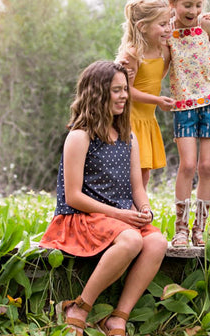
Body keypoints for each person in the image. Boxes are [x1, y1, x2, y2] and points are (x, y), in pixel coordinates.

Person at [40, 61, 168, 336]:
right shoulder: (79, 136)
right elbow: (73, 196)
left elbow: (137, 187)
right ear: (97, 93)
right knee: (132, 239)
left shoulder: (127, 136)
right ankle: (80, 307)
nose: (124, 96)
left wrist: (144, 208)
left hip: (117, 220)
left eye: (125, 90)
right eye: (116, 90)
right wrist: (120, 215)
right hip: (81, 217)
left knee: (157, 242)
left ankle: (119, 316)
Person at [164, 0, 210, 247]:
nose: (193, 11)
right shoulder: (167, 32)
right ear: (173, 4)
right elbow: (163, 66)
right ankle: (180, 228)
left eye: (198, 5)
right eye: (187, 5)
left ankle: (199, 228)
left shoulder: (209, 27)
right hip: (184, 107)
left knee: (206, 166)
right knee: (188, 165)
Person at [116, 0, 175, 189]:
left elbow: (157, 75)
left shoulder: (162, 49)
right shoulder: (133, 53)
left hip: (147, 119)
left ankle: (137, 210)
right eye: (162, 24)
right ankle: (129, 210)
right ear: (142, 27)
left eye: (168, 23)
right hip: (131, 119)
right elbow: (127, 92)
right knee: (131, 172)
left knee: (144, 173)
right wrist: (157, 100)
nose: (168, 29)